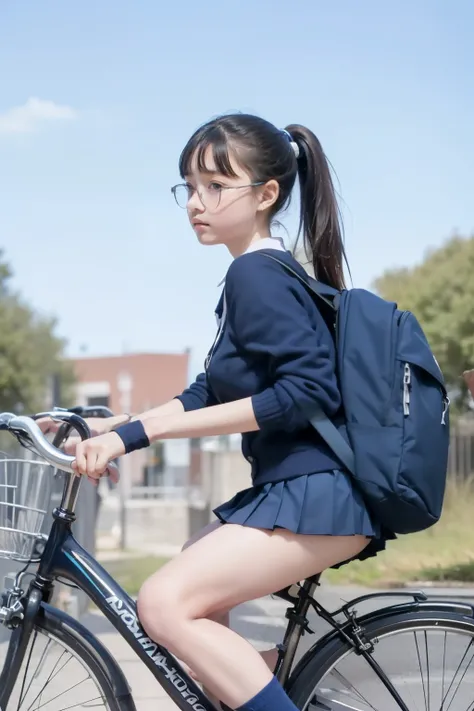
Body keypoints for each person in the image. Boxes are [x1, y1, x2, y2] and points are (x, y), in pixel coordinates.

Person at [52, 114, 393, 711]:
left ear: (266, 195)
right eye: (189, 186)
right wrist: (113, 426)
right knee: (199, 600)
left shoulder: (256, 273)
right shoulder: (261, 273)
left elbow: (307, 392)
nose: (196, 203)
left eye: (216, 186)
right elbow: (211, 390)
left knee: (162, 604)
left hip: (315, 494)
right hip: (299, 490)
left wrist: (141, 432)